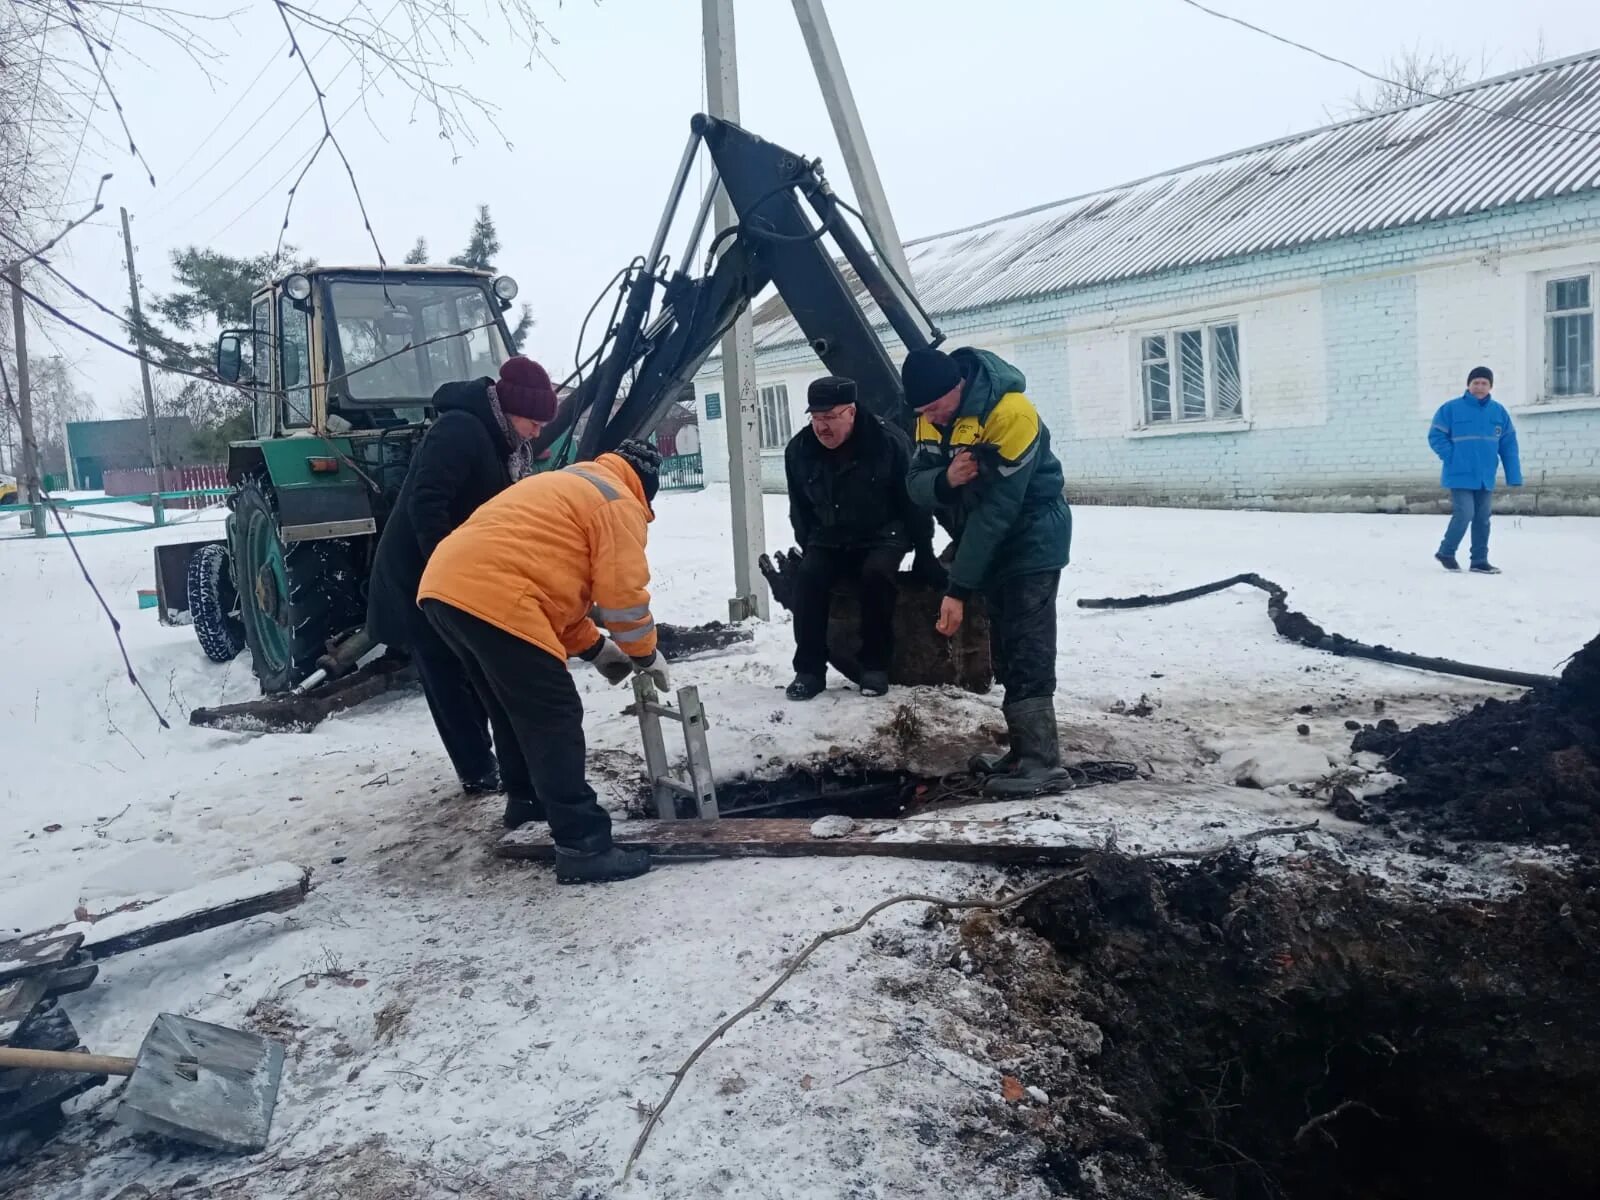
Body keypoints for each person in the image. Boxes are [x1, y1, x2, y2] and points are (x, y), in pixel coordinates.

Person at [417, 439, 667, 884]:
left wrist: (596, 649)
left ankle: (527, 802)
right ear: (646, 488)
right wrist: (644, 653)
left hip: (446, 587)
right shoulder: (617, 502)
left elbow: (552, 590)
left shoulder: (569, 484)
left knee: (510, 707)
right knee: (553, 713)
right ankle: (583, 844)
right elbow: (622, 595)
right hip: (493, 593)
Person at [365, 357, 557, 794]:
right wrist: (447, 571)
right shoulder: (459, 431)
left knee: (475, 663)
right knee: (445, 669)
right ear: (510, 409)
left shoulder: (504, 443)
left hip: (459, 572)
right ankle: (476, 769)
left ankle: (500, 760)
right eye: (533, 421)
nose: (537, 432)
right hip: (420, 574)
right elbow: (426, 504)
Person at [901, 346, 1073, 797]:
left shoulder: (1012, 414)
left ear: (957, 387)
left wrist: (957, 587)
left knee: (1028, 643)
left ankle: (1043, 763)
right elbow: (916, 483)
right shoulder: (930, 413)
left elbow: (998, 511)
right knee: (1005, 643)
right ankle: (1021, 754)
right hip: (989, 541)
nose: (929, 419)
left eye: (934, 407)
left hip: (1031, 539)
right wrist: (946, 480)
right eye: (921, 411)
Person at [782, 375, 941, 701]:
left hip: (884, 532)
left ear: (851, 412)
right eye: (815, 418)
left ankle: (875, 665)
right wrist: (809, 545)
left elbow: (913, 501)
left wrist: (924, 550)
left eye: (829, 418)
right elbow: (799, 508)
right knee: (809, 579)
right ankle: (809, 670)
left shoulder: (888, 443)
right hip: (829, 535)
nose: (821, 427)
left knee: (876, 574)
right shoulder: (799, 450)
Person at [1429, 366, 1521, 574]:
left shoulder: (1498, 412)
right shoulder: (1451, 409)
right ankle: (1447, 551)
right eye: (1475, 383)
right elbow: (1435, 436)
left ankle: (1479, 560)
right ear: (1468, 385)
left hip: (1485, 475)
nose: (1479, 387)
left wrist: (1513, 474)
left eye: (1484, 383)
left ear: (1490, 386)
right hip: (1459, 473)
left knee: (1482, 518)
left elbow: (1508, 444)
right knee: (1465, 513)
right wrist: (1452, 457)